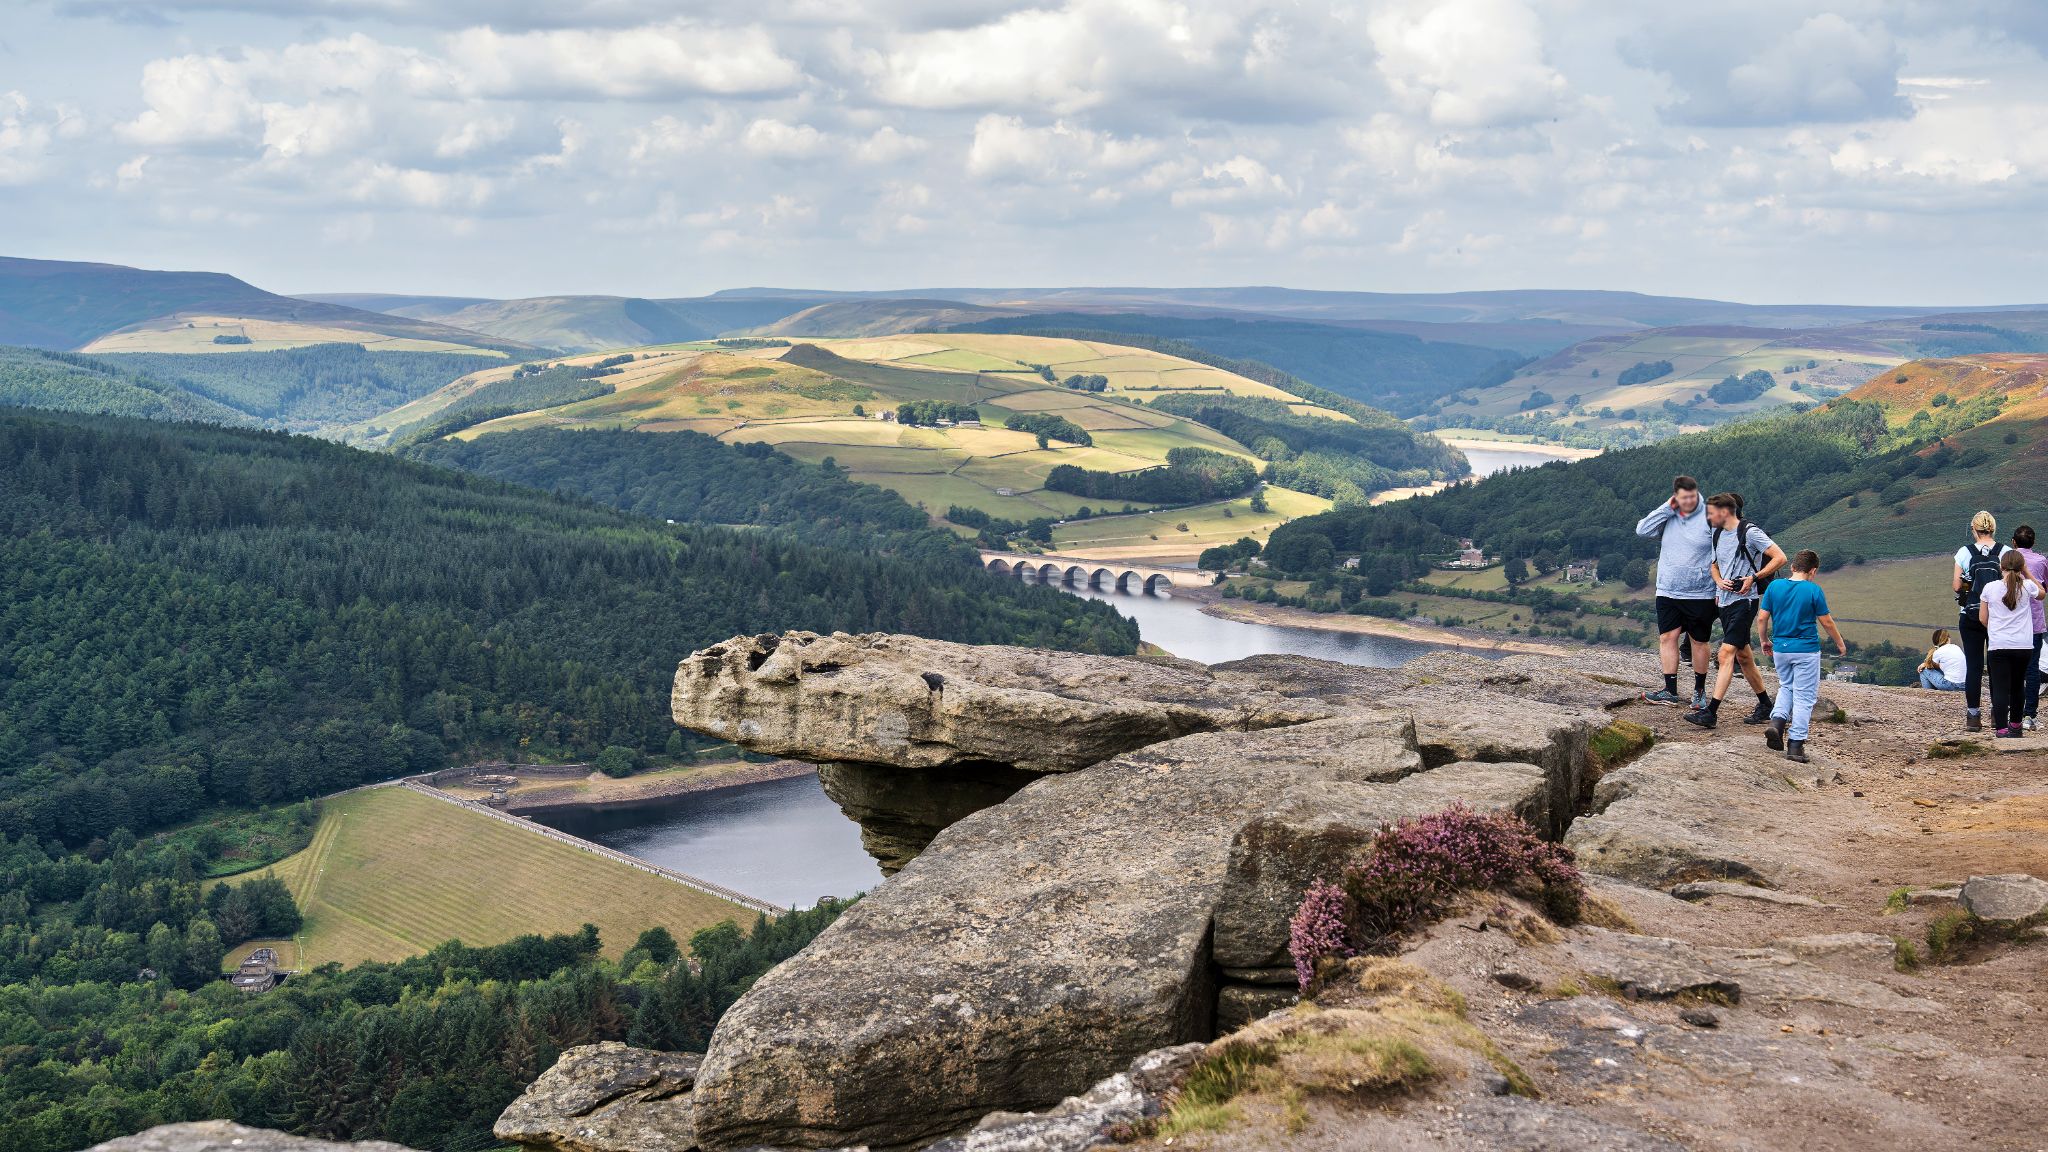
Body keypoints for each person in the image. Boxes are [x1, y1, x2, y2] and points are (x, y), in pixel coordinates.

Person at [1685, 492, 1787, 729]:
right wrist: (1719, 581)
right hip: (1724, 602)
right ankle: (1765, 705)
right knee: (1744, 656)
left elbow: (1779, 557)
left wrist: (1753, 578)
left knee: (1725, 655)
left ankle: (1711, 712)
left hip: (1744, 602)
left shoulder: (1750, 532)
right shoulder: (1718, 533)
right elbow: (1714, 564)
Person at [1636, 475, 1716, 707]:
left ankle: (1699, 691)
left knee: (1698, 641)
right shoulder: (1669, 513)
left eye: (1692, 497)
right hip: (1668, 589)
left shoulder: (1710, 515)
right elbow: (1643, 530)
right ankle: (1670, 691)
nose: (1689, 501)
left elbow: (1722, 549)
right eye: (1683, 498)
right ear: (1676, 497)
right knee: (1667, 637)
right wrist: (1667, 508)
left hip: (1700, 592)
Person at [1759, 550, 1846, 763]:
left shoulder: (1774, 586)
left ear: (1792, 567)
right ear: (1813, 571)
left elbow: (1762, 618)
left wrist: (1764, 640)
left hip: (1781, 648)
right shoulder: (1813, 590)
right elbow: (1826, 622)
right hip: (1806, 650)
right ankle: (1795, 746)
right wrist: (1839, 643)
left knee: (1786, 686)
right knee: (1804, 697)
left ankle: (1777, 723)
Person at [1979, 549, 2043, 738]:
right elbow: (2042, 593)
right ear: (2020, 567)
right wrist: (2027, 572)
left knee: (2000, 687)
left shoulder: (1990, 588)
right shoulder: (2028, 586)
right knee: (2017, 685)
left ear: (2001, 566)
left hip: (1999, 644)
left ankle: (2001, 729)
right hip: (2023, 645)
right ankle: (2016, 726)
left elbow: (1983, 618)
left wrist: (1997, 629)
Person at [1952, 511, 2008, 732]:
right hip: (1998, 616)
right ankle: (1997, 714)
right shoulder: (2005, 551)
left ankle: (1973, 717)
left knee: (1973, 666)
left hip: (1971, 614)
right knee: (1997, 667)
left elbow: (1957, 586)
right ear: (1993, 529)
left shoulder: (1964, 552)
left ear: (1973, 530)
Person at [2013, 525, 2048, 729]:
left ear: (2013, 542)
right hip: (2034, 622)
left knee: (2011, 667)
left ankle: (2009, 711)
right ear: (2033, 543)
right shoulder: (2041, 561)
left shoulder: (2006, 558)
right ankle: (2029, 715)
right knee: (2032, 668)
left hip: (2011, 623)